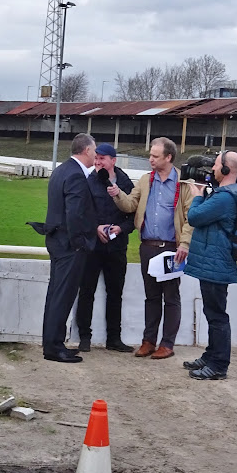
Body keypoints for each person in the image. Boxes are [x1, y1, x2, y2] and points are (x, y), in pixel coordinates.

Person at [108, 137, 193, 359]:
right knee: (151, 297)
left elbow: (190, 217)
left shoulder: (184, 182)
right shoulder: (146, 180)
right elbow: (130, 205)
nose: (151, 159)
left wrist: (184, 244)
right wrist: (117, 194)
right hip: (148, 247)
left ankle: (167, 344)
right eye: (150, 155)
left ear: (168, 157)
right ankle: (149, 341)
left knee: (171, 297)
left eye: (155, 156)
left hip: (172, 249)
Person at [183, 150, 237, 380]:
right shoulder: (225, 194)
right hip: (214, 262)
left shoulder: (224, 199)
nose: (212, 168)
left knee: (217, 316)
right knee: (212, 313)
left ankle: (219, 365)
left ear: (226, 169)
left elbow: (195, 217)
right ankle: (211, 356)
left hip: (216, 264)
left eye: (216, 165)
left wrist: (197, 196)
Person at [40, 133, 99, 363]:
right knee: (62, 296)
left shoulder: (61, 170)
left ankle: (53, 343)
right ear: (86, 150)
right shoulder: (76, 175)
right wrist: (80, 243)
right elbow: (74, 214)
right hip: (69, 245)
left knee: (56, 294)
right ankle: (54, 347)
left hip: (57, 241)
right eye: (94, 150)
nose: (95, 155)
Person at [76, 143, 135, 353]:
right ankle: (84, 337)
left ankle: (114, 339)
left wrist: (121, 229)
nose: (98, 162)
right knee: (86, 291)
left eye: (102, 158)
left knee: (115, 293)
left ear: (113, 160)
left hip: (117, 247)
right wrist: (96, 228)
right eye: (96, 158)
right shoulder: (88, 181)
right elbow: (81, 213)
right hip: (92, 247)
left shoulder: (126, 183)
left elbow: (134, 215)